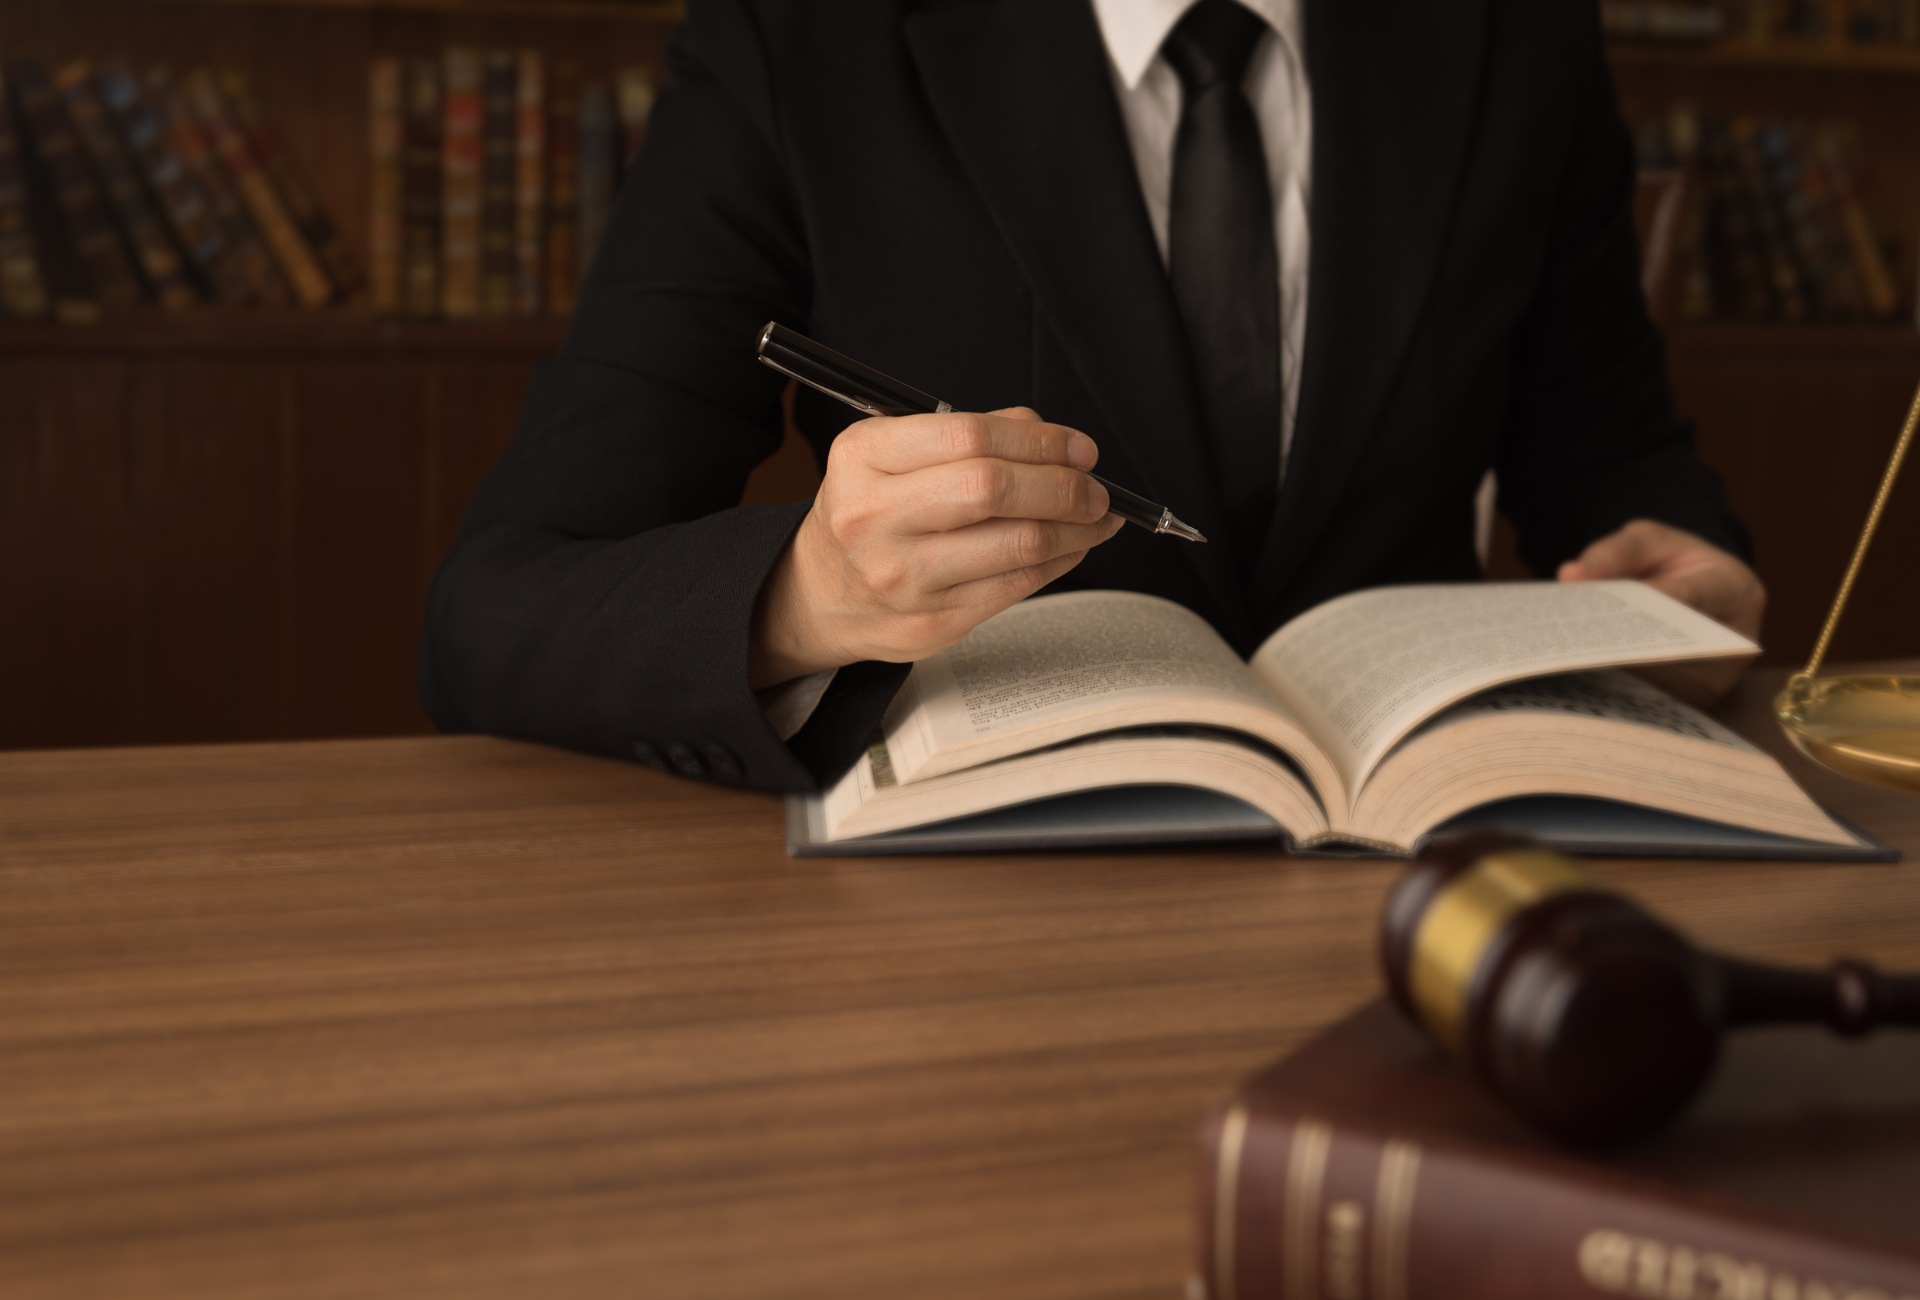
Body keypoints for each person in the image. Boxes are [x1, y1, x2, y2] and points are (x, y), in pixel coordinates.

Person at [419, 0, 1765, 793]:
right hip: (977, 915)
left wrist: (1684, 579)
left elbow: (1612, 456)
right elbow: (496, 609)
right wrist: (802, 602)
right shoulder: (801, 37)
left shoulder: (1515, 35)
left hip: (1409, 871)